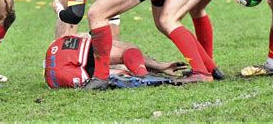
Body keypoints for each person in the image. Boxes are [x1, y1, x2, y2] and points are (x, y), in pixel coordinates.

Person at [44, 34, 187, 89]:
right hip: (65, 54)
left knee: (121, 73)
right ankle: (145, 75)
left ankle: (147, 73)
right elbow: (128, 53)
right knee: (128, 49)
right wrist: (157, 66)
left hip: (53, 79)